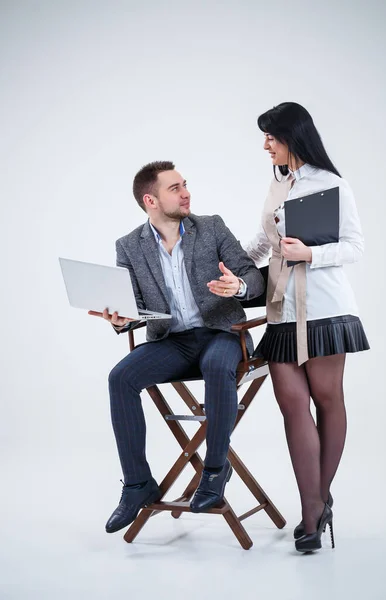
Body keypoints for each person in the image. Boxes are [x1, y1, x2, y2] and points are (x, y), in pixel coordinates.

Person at [89, 160, 265, 533]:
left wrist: (241, 287)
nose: (186, 193)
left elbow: (252, 276)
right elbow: (134, 305)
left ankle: (215, 470)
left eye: (185, 184)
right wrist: (122, 319)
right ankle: (137, 484)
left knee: (218, 367)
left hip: (223, 333)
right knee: (120, 378)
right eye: (175, 188)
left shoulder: (211, 226)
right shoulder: (129, 246)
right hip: (173, 341)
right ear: (150, 200)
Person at [244, 103, 369, 553]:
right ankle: (317, 502)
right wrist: (233, 271)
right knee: (293, 406)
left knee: (326, 399)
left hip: (324, 307)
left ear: (291, 137)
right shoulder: (277, 184)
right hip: (282, 312)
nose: (265, 146)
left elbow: (354, 247)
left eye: (270, 138)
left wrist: (311, 255)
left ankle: (312, 511)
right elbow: (263, 242)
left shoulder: (332, 184)